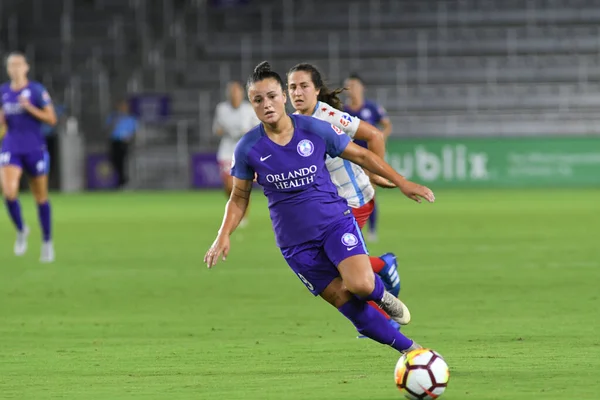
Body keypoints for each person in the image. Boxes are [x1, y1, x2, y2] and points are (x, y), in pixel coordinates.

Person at [205, 61, 435, 354]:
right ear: (252, 104)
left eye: (272, 95)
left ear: (283, 97)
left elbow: (362, 155)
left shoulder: (314, 128)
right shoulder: (248, 148)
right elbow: (239, 197)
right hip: (297, 246)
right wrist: (223, 233)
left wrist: (402, 182)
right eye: (258, 99)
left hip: (334, 223)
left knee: (362, 285)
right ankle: (414, 352)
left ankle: (382, 295)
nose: (266, 104)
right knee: (348, 305)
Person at [287, 63, 401, 336]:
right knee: (338, 266)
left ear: (316, 90)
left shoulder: (328, 115)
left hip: (354, 198)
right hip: (331, 205)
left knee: (345, 271)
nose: (298, 92)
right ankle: (383, 266)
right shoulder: (292, 123)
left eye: (304, 86)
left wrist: (374, 174)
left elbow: (374, 135)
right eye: (292, 87)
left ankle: (384, 319)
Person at [0, 52, 57, 262]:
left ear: (26, 67)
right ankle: (22, 229)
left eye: (18, 65)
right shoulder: (3, 92)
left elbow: (51, 119)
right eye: (10, 65)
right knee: (8, 191)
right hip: (11, 147)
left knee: (40, 197)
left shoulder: (36, 90)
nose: (14, 68)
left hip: (34, 147)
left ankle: (47, 242)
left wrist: (30, 108)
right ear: (7, 69)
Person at [344, 74, 393, 242]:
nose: (351, 90)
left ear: (362, 87)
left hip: (369, 159)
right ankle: (351, 229)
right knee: (347, 196)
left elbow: (386, 124)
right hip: (349, 159)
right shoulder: (343, 111)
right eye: (348, 86)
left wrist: (380, 140)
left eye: (354, 86)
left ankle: (371, 230)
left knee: (369, 193)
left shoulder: (372, 108)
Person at [213, 81, 259, 226]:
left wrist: (246, 133)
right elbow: (217, 129)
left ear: (241, 95)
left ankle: (242, 215)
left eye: (237, 93)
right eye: (232, 94)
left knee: (242, 185)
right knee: (228, 185)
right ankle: (235, 208)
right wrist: (225, 131)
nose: (235, 96)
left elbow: (258, 128)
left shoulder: (249, 109)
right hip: (226, 151)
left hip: (244, 151)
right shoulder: (221, 109)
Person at [107, 99, 137, 189]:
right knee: (115, 161)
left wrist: (130, 138)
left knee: (123, 161)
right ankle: (120, 180)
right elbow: (107, 129)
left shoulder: (130, 119)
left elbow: (134, 131)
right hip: (114, 141)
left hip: (124, 143)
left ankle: (123, 181)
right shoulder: (113, 117)